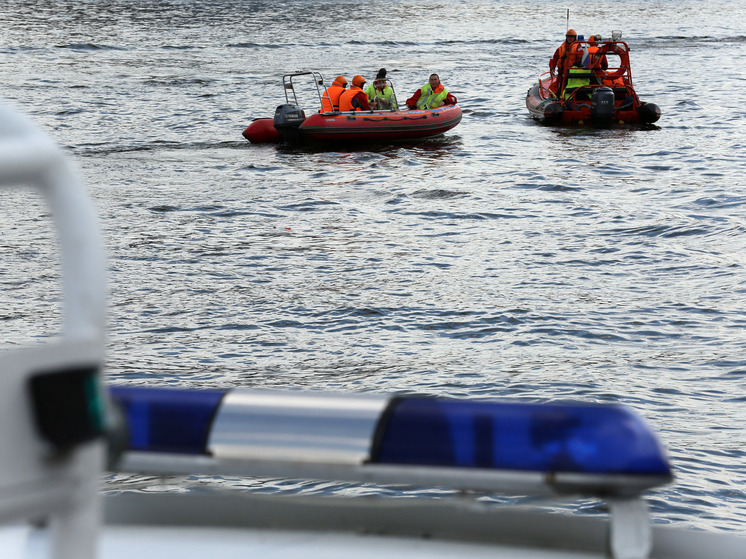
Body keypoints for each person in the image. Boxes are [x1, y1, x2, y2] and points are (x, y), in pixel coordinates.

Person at [549, 29, 582, 93]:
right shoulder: (562, 47)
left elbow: (580, 58)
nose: (570, 38)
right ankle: (560, 96)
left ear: (575, 37)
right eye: (568, 36)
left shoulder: (578, 47)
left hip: (572, 72)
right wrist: (552, 67)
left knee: (570, 87)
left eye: (571, 37)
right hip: (562, 70)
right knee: (560, 87)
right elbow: (555, 57)